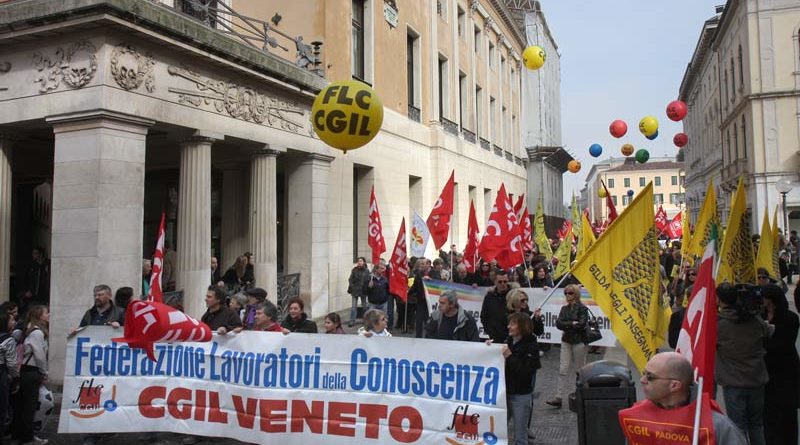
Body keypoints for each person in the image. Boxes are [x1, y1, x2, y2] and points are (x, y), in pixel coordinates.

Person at [622, 352, 747, 445]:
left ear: (674, 385)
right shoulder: (637, 418)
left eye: (650, 376)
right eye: (644, 373)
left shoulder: (717, 426)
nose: (642, 380)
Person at [715, 283, 773, 445]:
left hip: (734, 383)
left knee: (737, 427)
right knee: (756, 425)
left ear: (719, 299)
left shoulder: (719, 325)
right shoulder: (754, 320)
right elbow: (769, 332)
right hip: (757, 379)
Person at [761, 285, 799, 445]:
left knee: (787, 415)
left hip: (786, 372)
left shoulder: (790, 318)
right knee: (769, 415)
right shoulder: (759, 316)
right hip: (767, 373)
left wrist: (764, 340)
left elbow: (784, 343)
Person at [10, 305, 48, 445]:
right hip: (32, 371)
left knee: (22, 405)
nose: (48, 315)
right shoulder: (37, 333)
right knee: (29, 406)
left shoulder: (28, 329)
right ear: (39, 315)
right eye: (46, 313)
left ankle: (18, 435)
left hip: (25, 370)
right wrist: (44, 372)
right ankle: (27, 437)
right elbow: (39, 355)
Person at [546, 284, 588, 408]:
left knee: (580, 369)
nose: (567, 295)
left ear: (575, 294)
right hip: (566, 340)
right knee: (562, 369)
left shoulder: (582, 308)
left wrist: (567, 324)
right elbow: (558, 324)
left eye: (570, 293)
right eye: (566, 293)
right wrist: (571, 323)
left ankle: (580, 393)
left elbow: (581, 324)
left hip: (579, 341)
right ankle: (558, 396)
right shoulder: (564, 309)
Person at [502, 313, 540, 445]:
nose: (509, 327)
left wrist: (510, 357)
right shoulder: (508, 341)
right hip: (504, 394)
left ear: (522, 327)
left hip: (521, 395)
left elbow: (526, 371)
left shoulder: (532, 346)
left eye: (513, 324)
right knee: (499, 431)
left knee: (520, 435)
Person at [481, 270, 512, 343]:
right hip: (494, 337)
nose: (503, 284)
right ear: (495, 282)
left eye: (505, 281)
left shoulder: (513, 296)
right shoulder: (489, 297)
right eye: (500, 282)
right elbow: (484, 316)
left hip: (511, 336)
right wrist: (490, 331)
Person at [0, 312, 17, 439]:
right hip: (2, 372)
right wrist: (16, 377)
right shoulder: (9, 339)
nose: (14, 322)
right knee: (3, 407)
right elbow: (11, 363)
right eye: (11, 320)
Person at [347, 257, 370, 327]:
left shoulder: (366, 271)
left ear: (364, 262)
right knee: (353, 307)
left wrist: (366, 288)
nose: (359, 262)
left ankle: (365, 320)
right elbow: (350, 279)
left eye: (361, 261)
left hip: (363, 291)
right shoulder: (354, 270)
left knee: (364, 307)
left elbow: (368, 280)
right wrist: (352, 286)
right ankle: (352, 320)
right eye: (358, 261)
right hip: (355, 291)